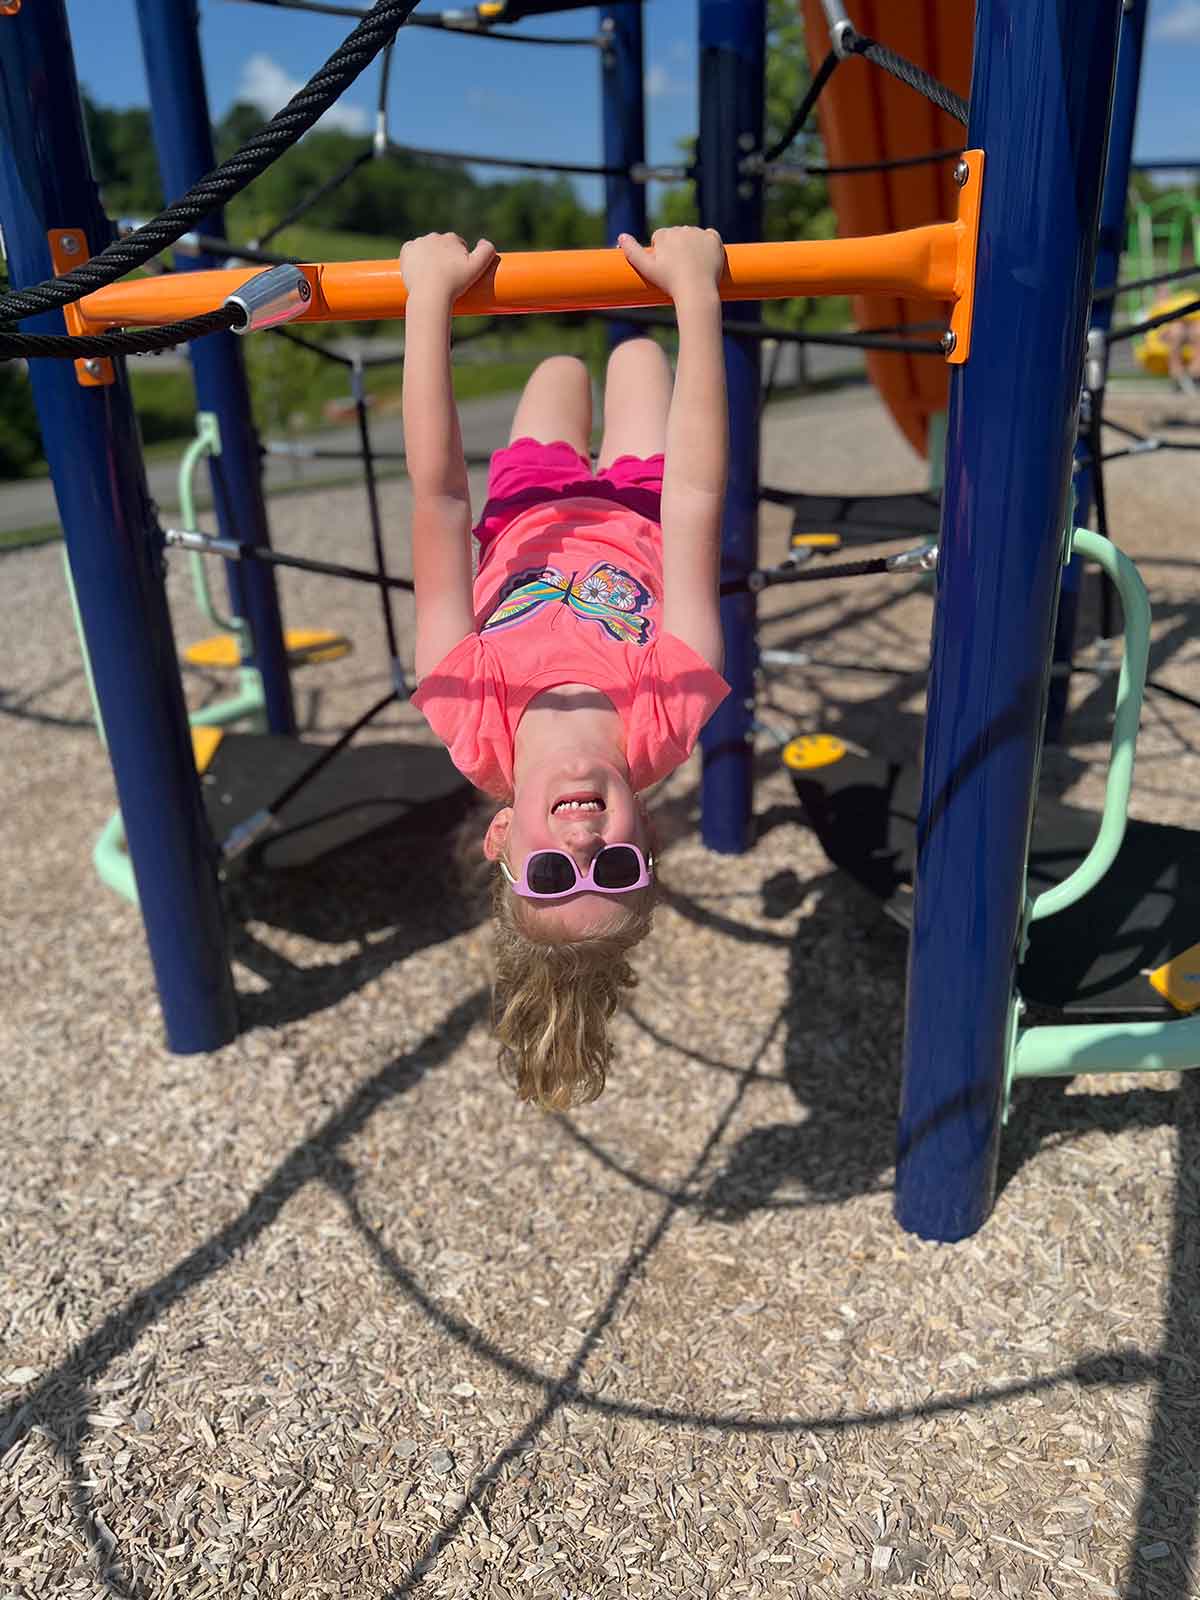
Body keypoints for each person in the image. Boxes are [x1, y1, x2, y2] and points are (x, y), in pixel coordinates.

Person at [401, 226, 731, 1112]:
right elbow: (698, 500)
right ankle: (650, 294)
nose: (585, 851)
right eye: (617, 869)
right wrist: (699, 296)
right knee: (638, 354)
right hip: (643, 498)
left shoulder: (467, 715)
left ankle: (572, 295)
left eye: (552, 877)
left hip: (526, 502)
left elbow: (436, 501)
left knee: (557, 368)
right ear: (649, 842)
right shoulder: (671, 711)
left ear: (501, 840)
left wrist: (426, 301)